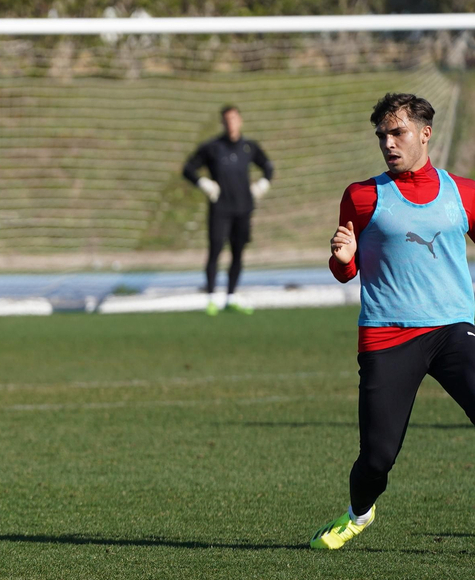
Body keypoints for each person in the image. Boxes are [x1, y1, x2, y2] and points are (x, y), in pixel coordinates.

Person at [312, 92, 475, 550]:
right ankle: (358, 514)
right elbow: (346, 270)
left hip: (453, 329)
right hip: (387, 335)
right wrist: (341, 259)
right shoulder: (362, 197)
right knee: (377, 458)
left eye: (397, 132)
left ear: (425, 133)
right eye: (382, 135)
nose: (388, 142)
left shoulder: (463, 192)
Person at [182, 105, 274, 315]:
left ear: (240, 121)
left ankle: (231, 295)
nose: (231, 123)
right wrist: (203, 183)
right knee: (215, 250)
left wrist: (262, 184)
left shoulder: (249, 147)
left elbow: (268, 166)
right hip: (220, 208)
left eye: (234, 119)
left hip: (243, 208)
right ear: (223, 123)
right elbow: (188, 168)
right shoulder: (212, 147)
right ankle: (212, 297)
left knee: (238, 252)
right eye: (227, 120)